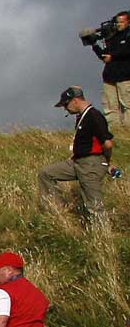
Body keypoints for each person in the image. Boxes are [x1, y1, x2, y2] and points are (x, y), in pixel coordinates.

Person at [38, 85, 113, 229]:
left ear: (75, 100)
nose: (65, 109)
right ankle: (57, 213)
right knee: (45, 174)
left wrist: (106, 162)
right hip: (77, 162)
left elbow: (107, 144)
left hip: (90, 164)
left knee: (94, 206)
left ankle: (103, 235)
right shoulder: (82, 117)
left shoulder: (94, 116)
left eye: (66, 105)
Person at [95, 11, 130, 133]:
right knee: (110, 107)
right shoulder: (112, 37)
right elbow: (104, 56)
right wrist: (94, 45)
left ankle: (128, 131)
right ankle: (116, 132)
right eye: (117, 22)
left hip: (125, 76)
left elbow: (126, 50)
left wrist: (113, 56)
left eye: (122, 22)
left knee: (127, 105)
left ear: (128, 22)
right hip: (109, 77)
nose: (119, 24)